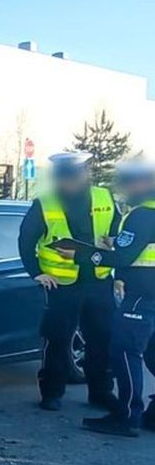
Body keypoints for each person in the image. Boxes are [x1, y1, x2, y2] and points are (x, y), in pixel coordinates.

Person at [17, 151, 120, 411]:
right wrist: (36, 272)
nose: (68, 182)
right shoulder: (45, 203)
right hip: (62, 285)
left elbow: (119, 235)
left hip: (98, 281)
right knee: (57, 338)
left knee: (101, 338)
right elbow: (26, 241)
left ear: (85, 174)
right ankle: (52, 393)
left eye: (73, 176)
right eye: (63, 177)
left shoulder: (104, 197)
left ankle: (101, 392)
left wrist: (115, 260)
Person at [59, 159, 155, 437]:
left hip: (142, 297)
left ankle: (126, 416)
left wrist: (80, 253)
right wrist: (116, 242)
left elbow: (125, 256)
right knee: (152, 354)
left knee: (126, 352)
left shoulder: (142, 215)